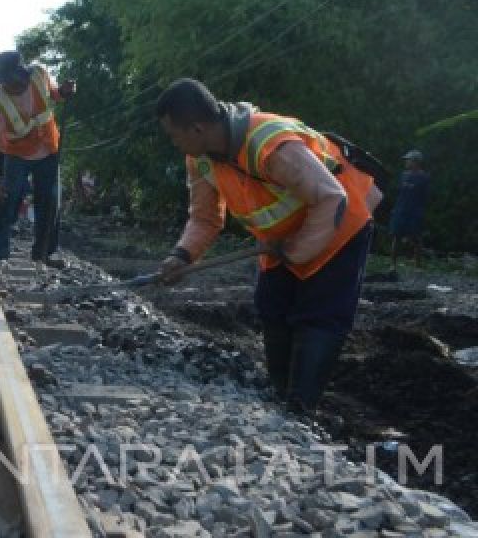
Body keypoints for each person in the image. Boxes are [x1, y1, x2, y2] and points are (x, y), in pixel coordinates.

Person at [153, 78, 381, 413]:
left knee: (319, 314)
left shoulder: (270, 144)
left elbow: (332, 198)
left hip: (339, 226)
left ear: (197, 128)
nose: (173, 143)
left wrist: (296, 252)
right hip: (281, 240)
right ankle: (280, 395)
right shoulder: (201, 159)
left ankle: (302, 406)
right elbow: (205, 218)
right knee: (272, 305)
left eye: (174, 135)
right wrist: (182, 255)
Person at [0, 50, 74, 269]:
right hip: (18, 155)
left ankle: (45, 253)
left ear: (20, 73)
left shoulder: (39, 74)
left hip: (49, 149)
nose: (6, 83)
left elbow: (54, 95)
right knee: (7, 199)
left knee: (50, 201)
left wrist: (63, 91)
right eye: (2, 79)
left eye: (9, 78)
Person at [389, 149, 430, 271]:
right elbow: (400, 194)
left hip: (414, 212)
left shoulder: (424, 178)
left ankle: (417, 265)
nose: (406, 162)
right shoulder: (403, 175)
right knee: (396, 237)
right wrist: (396, 208)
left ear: (416, 162)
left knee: (416, 238)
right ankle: (393, 264)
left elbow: (425, 197)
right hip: (401, 210)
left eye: (409, 160)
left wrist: (420, 211)